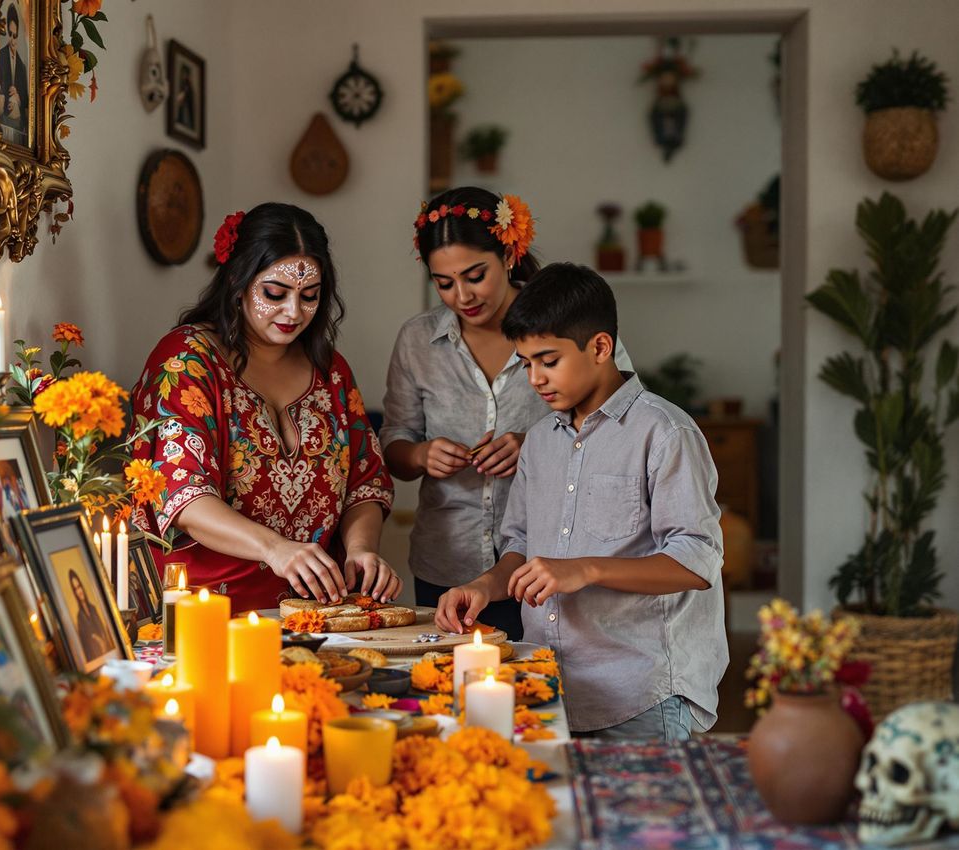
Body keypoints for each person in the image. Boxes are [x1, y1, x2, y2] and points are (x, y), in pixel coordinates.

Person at [435, 263, 726, 741]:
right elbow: (522, 548)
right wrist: (485, 587)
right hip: (552, 688)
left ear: (599, 348)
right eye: (526, 363)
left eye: (548, 361)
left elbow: (697, 562)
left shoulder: (665, 432)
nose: (535, 379)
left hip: (642, 695)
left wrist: (585, 569)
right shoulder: (540, 441)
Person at [383, 188, 630, 639]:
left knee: (543, 698)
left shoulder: (567, 322)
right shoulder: (418, 341)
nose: (462, 295)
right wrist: (422, 456)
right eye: (443, 283)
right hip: (448, 561)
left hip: (552, 561)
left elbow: (621, 425)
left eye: (475, 275)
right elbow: (394, 443)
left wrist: (534, 445)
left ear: (509, 256)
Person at [129, 203, 398, 613]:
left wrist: (361, 550)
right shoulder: (186, 361)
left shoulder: (331, 372)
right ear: (238, 279)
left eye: (310, 297)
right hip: (208, 610)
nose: (294, 313)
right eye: (275, 293)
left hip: (316, 611)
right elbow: (182, 494)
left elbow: (365, 481)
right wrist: (275, 549)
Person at [0, 4, 28, 144]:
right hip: (1, 124)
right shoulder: (0, 56)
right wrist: (1, 94)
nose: (13, 40)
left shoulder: (21, 66)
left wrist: (18, 97)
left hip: (18, 127)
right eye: (10, 34)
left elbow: (27, 102)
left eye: (15, 35)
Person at [68, 569, 112, 662]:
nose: (79, 591)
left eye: (79, 586)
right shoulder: (79, 617)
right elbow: (86, 643)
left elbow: (102, 630)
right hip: (95, 659)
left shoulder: (93, 609)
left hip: (108, 654)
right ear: (74, 593)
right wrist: (97, 639)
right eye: (75, 589)